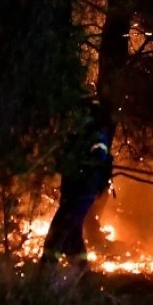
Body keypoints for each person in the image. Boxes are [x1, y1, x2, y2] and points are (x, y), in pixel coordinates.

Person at [41, 101, 114, 269]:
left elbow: (99, 155)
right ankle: (82, 274)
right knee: (73, 236)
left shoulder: (96, 135)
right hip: (73, 191)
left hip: (82, 193)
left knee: (58, 233)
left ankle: (44, 273)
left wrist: (84, 162)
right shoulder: (76, 135)